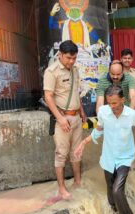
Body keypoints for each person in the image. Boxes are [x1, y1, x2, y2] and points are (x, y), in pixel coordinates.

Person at [74, 85, 135, 214]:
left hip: (125, 158)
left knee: (117, 190)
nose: (112, 106)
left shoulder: (131, 114)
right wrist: (84, 142)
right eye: (109, 102)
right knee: (110, 192)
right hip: (108, 157)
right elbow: (99, 129)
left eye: (115, 103)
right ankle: (116, 213)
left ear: (122, 100)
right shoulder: (103, 112)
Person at [43, 40, 87, 200]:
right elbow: (48, 97)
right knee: (61, 153)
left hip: (76, 117)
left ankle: (77, 181)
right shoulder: (51, 71)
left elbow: (75, 92)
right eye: (68, 58)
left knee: (77, 152)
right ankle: (61, 189)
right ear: (60, 55)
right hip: (63, 119)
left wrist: (82, 111)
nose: (71, 61)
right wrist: (60, 118)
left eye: (74, 58)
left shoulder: (75, 70)